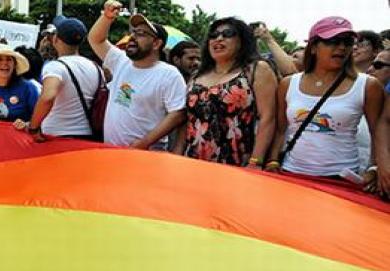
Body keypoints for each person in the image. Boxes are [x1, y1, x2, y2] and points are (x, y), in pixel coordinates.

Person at [266, 17, 384, 180]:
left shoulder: (368, 85)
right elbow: (280, 130)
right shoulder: (288, 84)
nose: (342, 47)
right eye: (333, 41)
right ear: (313, 47)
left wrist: (374, 169)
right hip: (290, 175)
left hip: (341, 180)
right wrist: (272, 160)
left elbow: (379, 132)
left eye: (348, 42)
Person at [175, 17, 278, 167]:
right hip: (193, 162)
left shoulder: (256, 69)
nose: (219, 38)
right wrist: (177, 154)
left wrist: (256, 161)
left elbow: (267, 118)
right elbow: (187, 119)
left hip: (237, 163)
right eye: (213, 35)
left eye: (227, 34)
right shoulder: (197, 75)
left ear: (242, 40)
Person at [89, 3, 186, 150]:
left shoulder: (169, 74)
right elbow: (96, 39)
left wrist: (144, 143)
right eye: (133, 32)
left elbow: (177, 114)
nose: (132, 37)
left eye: (141, 34)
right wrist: (107, 17)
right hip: (112, 151)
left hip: (147, 156)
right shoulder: (121, 61)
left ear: (156, 43)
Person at [16, 16, 100, 139]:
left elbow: (48, 97)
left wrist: (33, 128)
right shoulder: (95, 67)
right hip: (88, 135)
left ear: (56, 39)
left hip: (57, 136)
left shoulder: (55, 67)